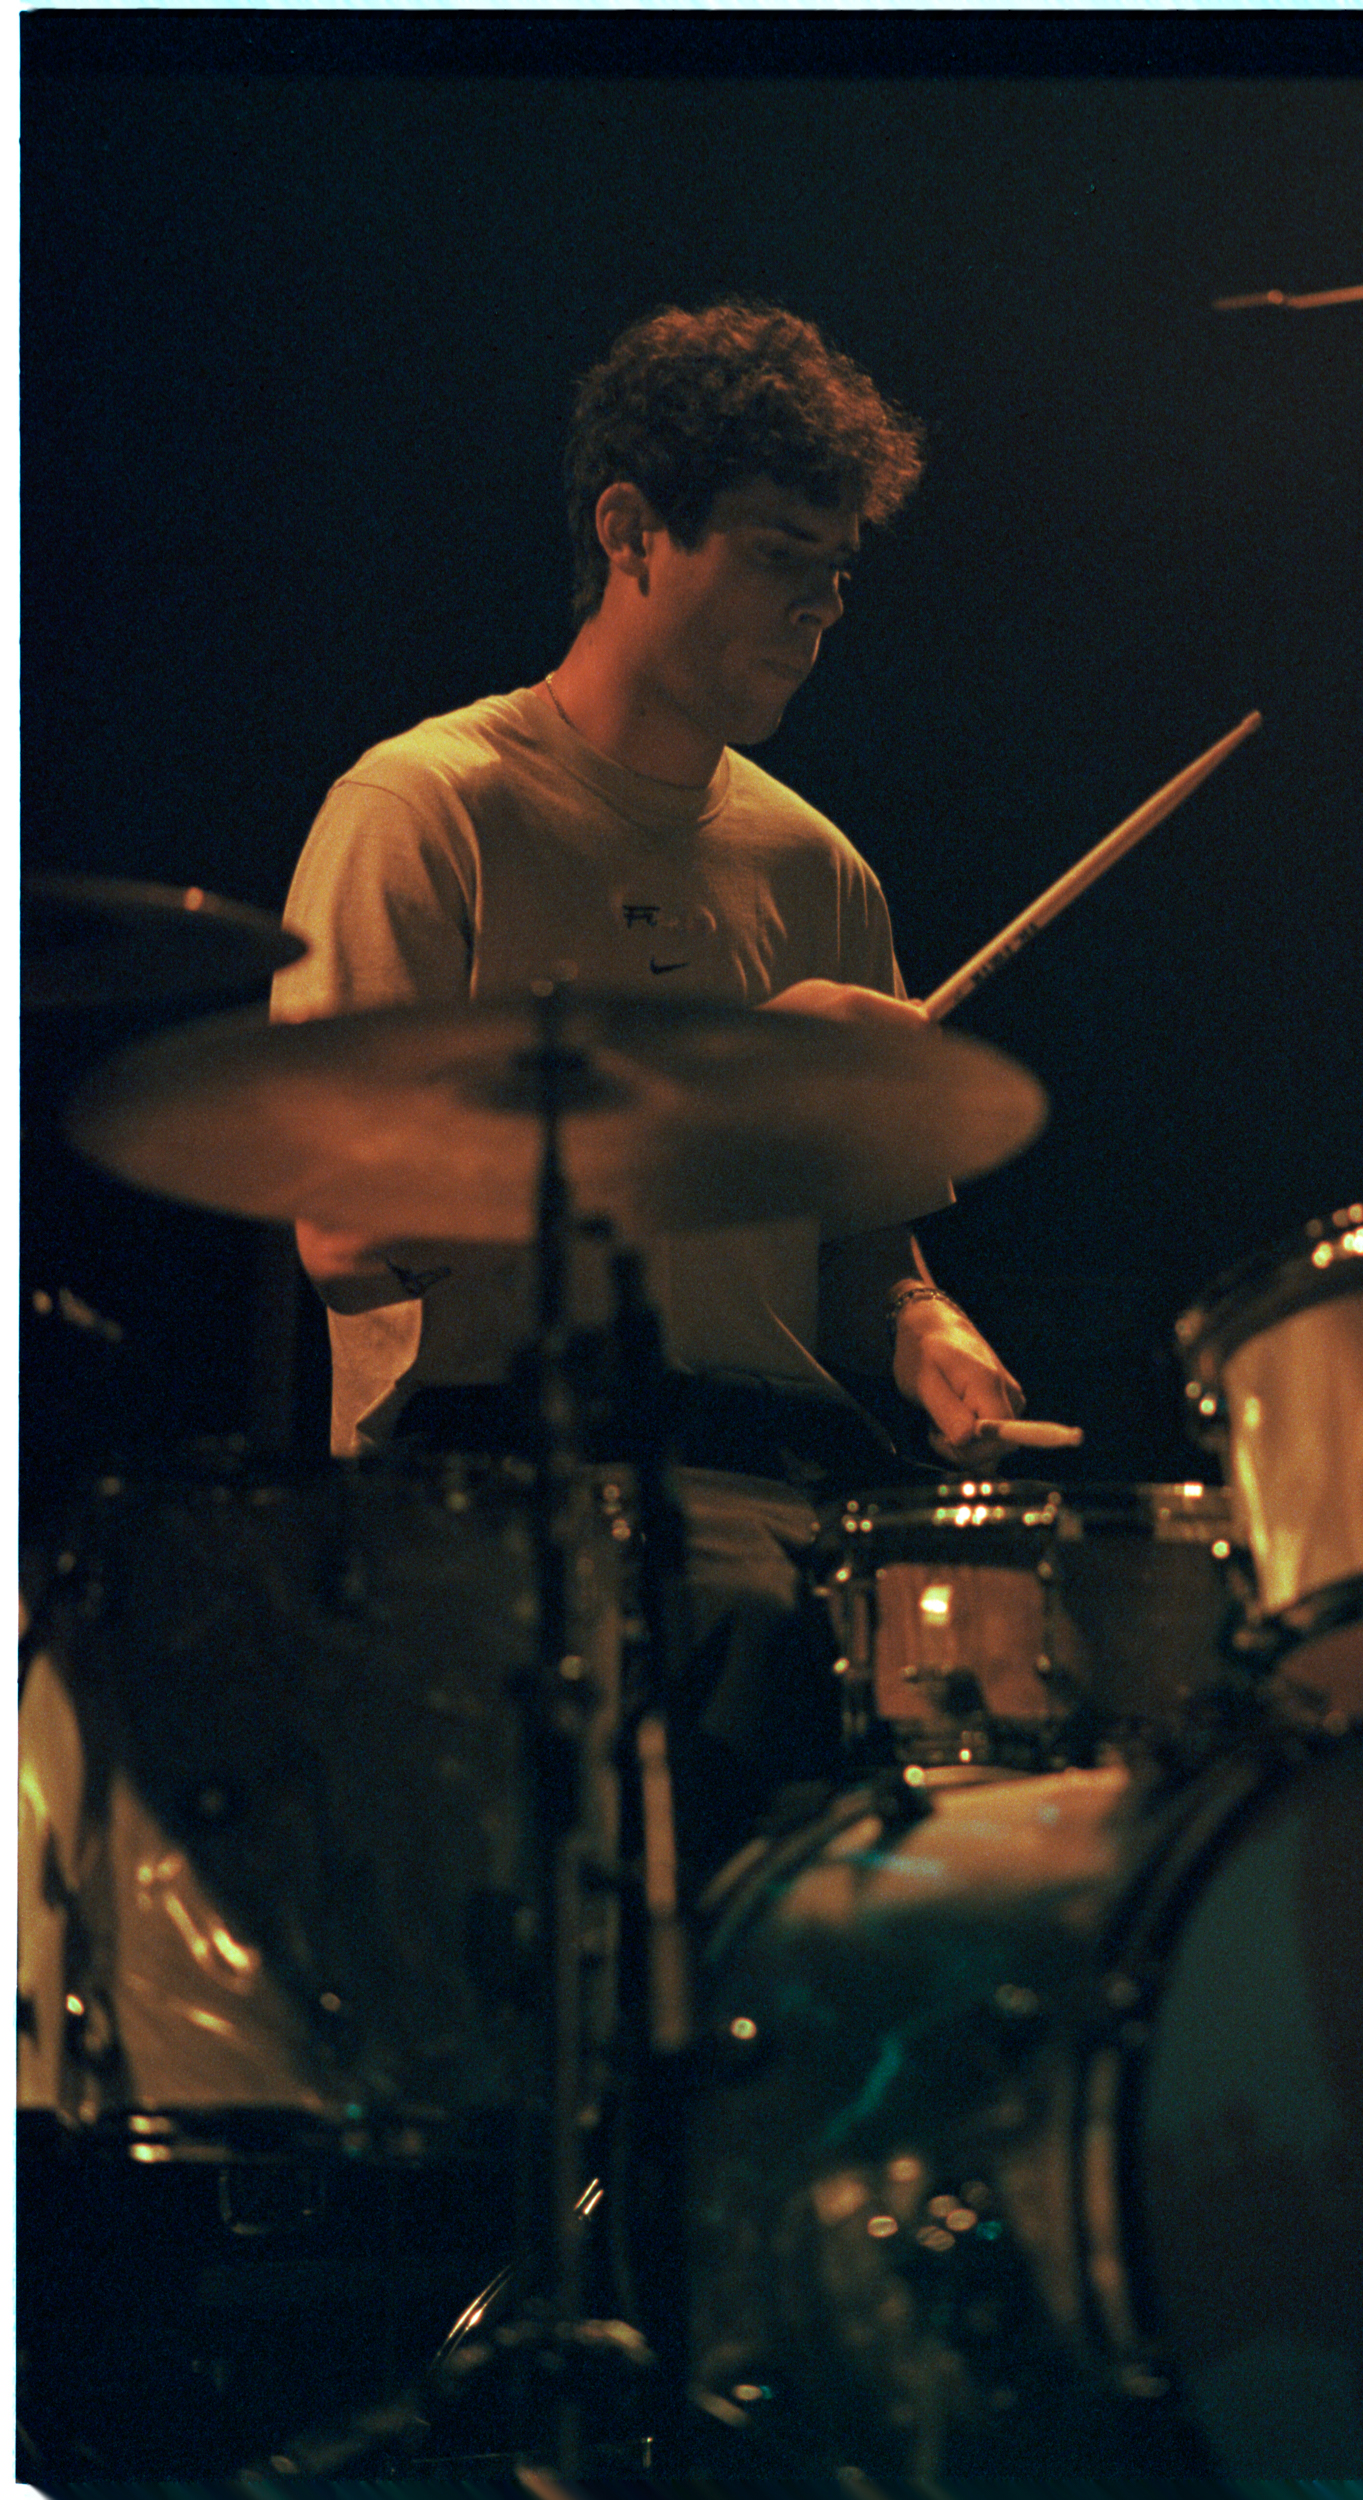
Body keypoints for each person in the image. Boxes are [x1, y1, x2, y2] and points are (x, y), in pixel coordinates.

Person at [272, 300, 1030, 1862]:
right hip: (490, 1526)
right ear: (629, 529)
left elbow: (862, 1265)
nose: (815, 605)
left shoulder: (822, 869)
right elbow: (345, 1244)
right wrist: (707, 1095)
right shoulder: (428, 809)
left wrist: (930, 1335)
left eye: (833, 571)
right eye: (771, 553)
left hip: (778, 1533)